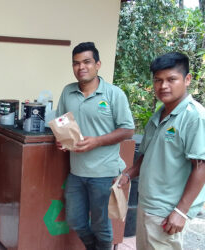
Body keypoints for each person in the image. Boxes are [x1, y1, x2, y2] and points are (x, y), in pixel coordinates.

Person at [118, 52, 205, 250]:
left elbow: (201, 167)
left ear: (187, 79)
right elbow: (146, 155)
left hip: (168, 212)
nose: (163, 86)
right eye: (158, 80)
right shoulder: (159, 115)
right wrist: (128, 175)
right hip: (148, 204)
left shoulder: (195, 117)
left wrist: (181, 212)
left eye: (171, 79)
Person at [55, 42, 135, 250]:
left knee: (101, 226)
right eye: (76, 63)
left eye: (87, 62)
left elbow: (128, 130)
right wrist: (61, 139)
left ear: (98, 64)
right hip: (77, 171)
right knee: (75, 220)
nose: (81, 67)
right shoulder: (68, 91)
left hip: (104, 172)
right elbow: (62, 122)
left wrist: (97, 141)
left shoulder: (113, 94)